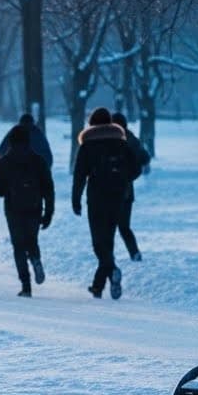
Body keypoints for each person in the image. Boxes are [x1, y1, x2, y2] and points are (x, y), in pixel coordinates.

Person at [72, 107, 141, 300]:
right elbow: (136, 167)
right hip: (118, 196)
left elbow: (79, 175)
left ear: (92, 123)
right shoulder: (121, 143)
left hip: (96, 198)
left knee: (98, 243)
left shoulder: (87, 146)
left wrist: (75, 200)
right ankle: (98, 286)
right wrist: (123, 180)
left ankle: (113, 271)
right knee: (108, 240)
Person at [0, 123, 54, 297]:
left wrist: (6, 189)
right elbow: (48, 188)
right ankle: (35, 259)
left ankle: (26, 286)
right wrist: (49, 212)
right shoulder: (39, 161)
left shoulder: (4, 162)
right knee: (31, 240)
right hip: (34, 207)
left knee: (18, 246)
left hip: (13, 209)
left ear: (11, 141)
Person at [111, 112, 151, 262]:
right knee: (124, 226)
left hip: (109, 190)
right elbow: (145, 157)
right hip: (127, 192)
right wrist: (129, 177)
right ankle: (134, 252)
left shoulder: (110, 139)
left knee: (108, 227)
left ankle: (108, 256)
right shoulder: (131, 138)